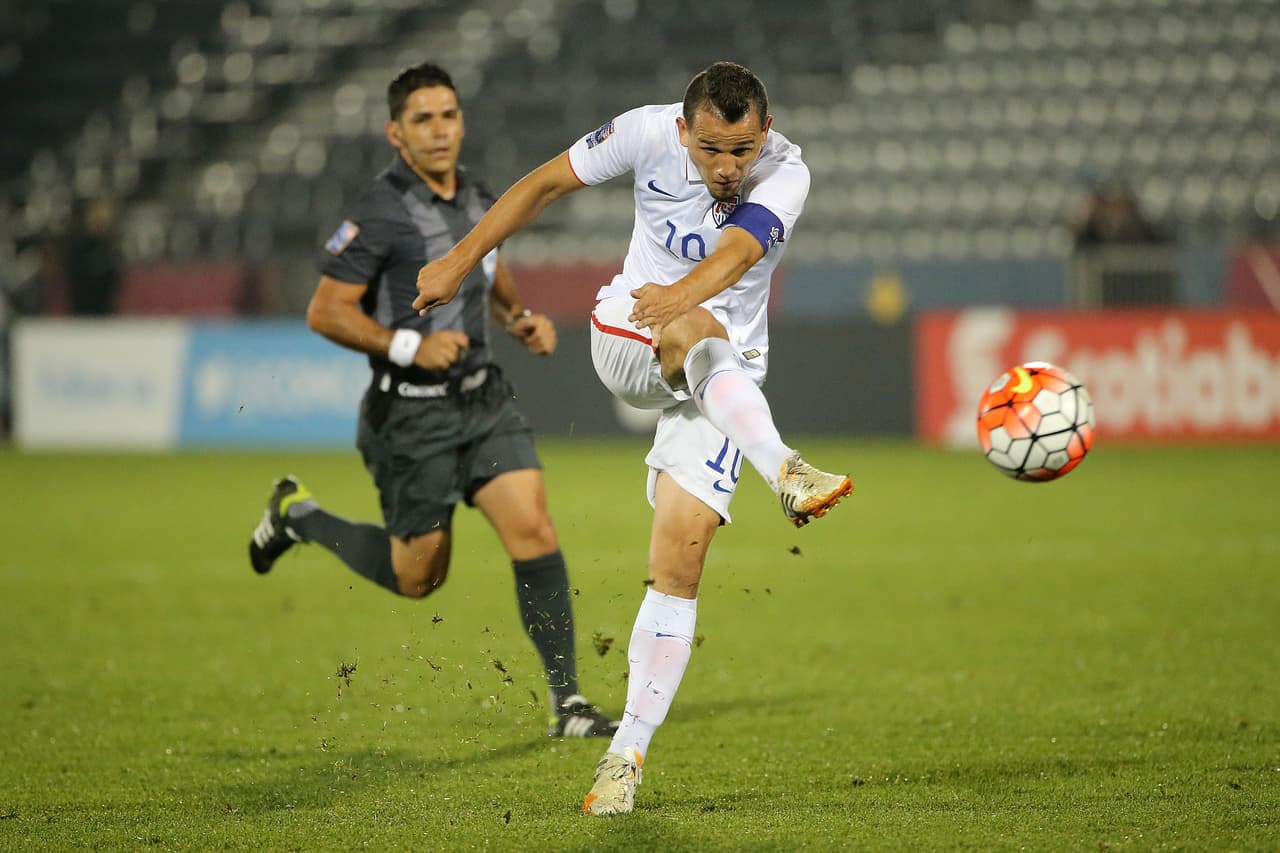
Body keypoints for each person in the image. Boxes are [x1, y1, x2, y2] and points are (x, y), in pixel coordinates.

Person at [412, 61, 854, 815]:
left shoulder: (788, 173)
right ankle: (784, 466)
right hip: (628, 330)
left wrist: (680, 298)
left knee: (679, 564)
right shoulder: (646, 132)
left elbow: (740, 254)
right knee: (697, 324)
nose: (727, 167)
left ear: (766, 134)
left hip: (723, 378)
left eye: (741, 151)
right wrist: (459, 263)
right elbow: (544, 184)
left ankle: (623, 759)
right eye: (710, 149)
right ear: (683, 130)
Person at [246, 61, 617, 740]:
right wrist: (407, 346)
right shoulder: (378, 212)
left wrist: (516, 317)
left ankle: (568, 703)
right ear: (396, 133)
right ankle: (300, 517)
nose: (440, 129)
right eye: (423, 119)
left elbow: (489, 266)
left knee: (534, 529)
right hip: (411, 415)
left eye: (448, 115)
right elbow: (325, 311)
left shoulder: (477, 193)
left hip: (482, 399)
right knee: (418, 577)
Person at [64, 196, 121, 316]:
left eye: (101, 219)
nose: (97, 222)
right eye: (94, 217)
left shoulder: (110, 249)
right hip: (79, 313)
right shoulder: (76, 246)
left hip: (105, 314)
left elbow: (113, 284)